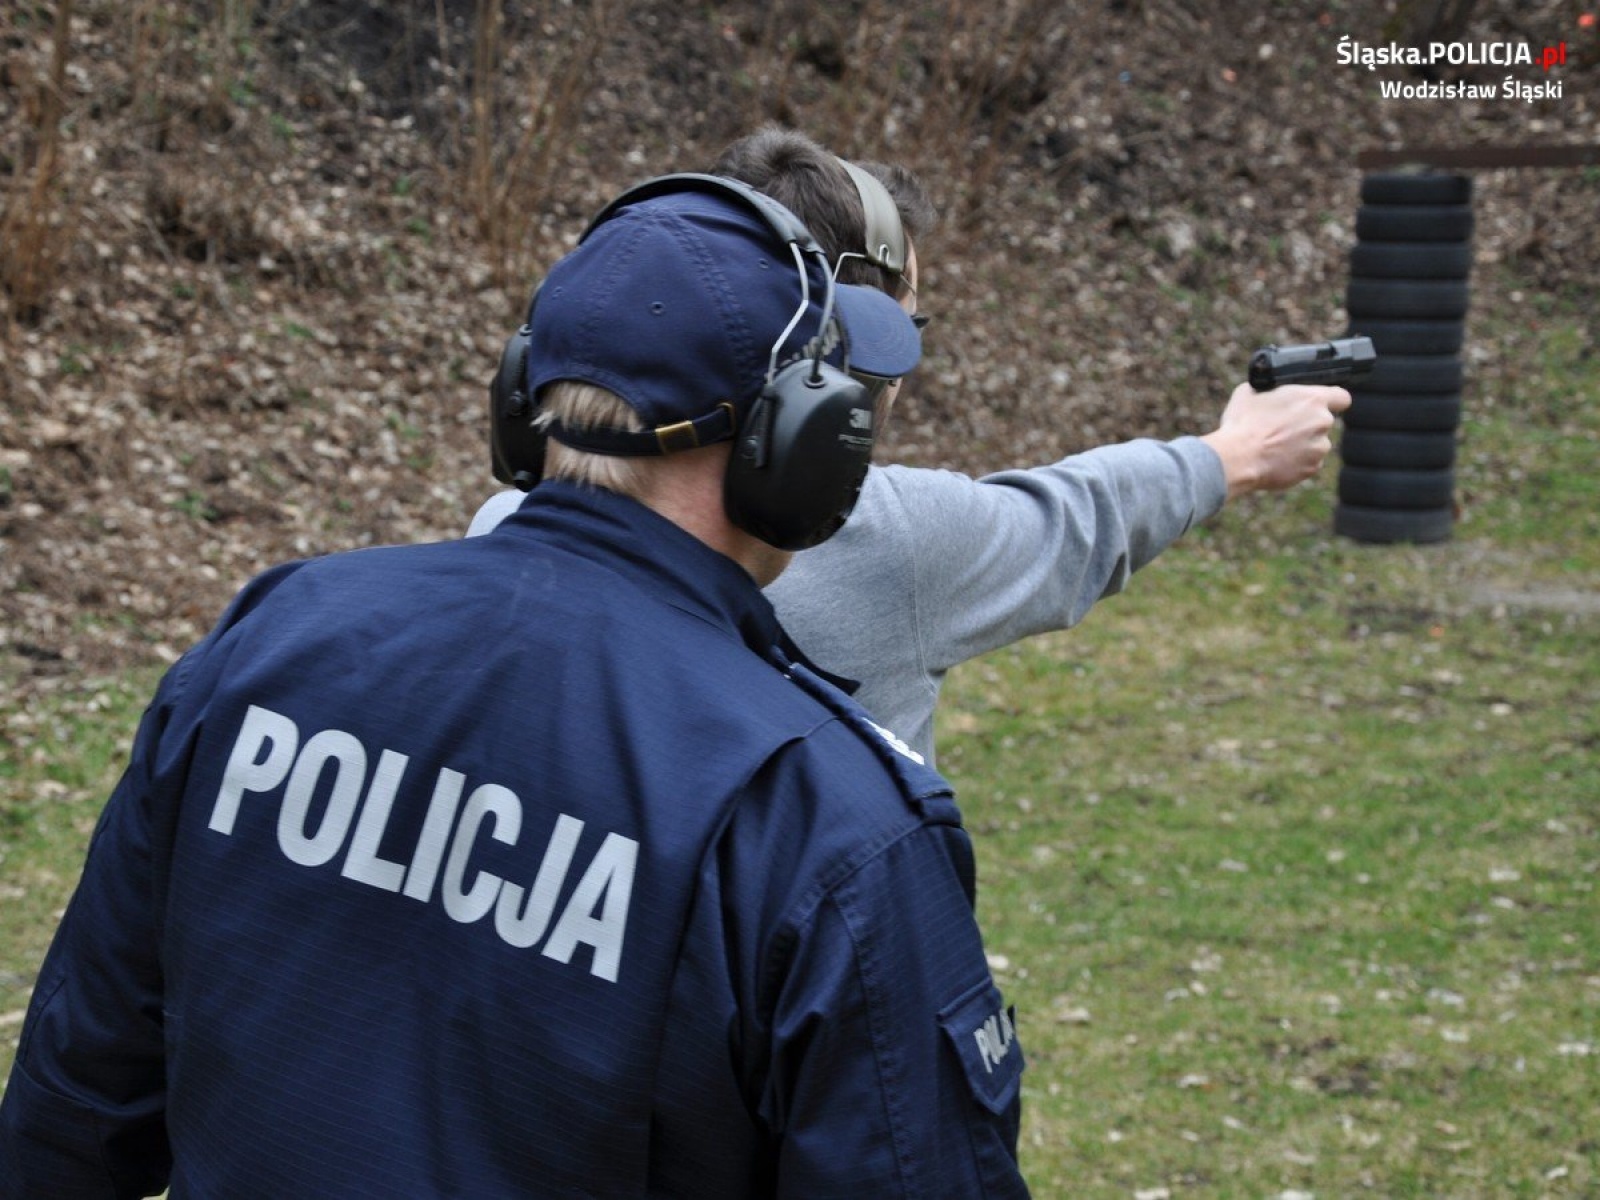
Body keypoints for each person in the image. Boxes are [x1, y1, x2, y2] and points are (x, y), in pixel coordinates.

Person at [0, 180, 1031, 1197]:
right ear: (794, 445)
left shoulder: (268, 645)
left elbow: (66, 1123)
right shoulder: (823, 824)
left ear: (522, 404)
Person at [471, 127, 1352, 765]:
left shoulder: (505, 528)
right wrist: (1233, 454)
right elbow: (1080, 519)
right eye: (894, 332)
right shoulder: (887, 541)